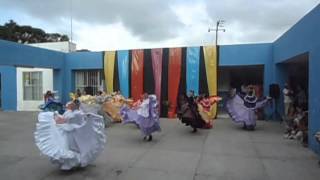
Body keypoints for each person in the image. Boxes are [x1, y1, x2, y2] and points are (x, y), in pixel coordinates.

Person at [34, 100, 106, 170]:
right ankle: (69, 163)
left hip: (74, 132)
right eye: (69, 105)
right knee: (67, 146)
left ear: (75, 105)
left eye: (71, 104)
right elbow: (63, 119)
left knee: (74, 146)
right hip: (68, 131)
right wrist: (56, 117)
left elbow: (82, 118)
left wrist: (91, 117)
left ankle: (76, 161)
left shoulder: (78, 113)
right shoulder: (69, 112)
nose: (69, 106)